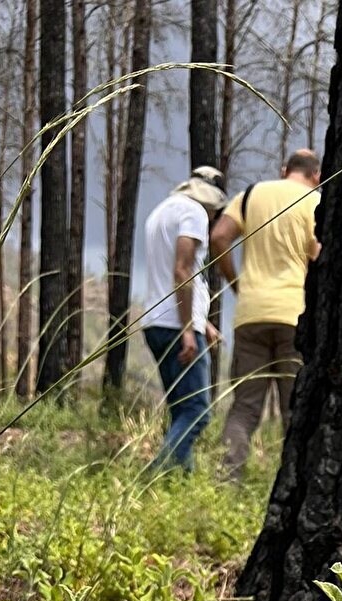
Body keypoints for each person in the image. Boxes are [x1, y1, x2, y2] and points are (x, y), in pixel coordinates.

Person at [209, 150, 321, 480]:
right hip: (294, 316)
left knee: (244, 408)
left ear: (284, 169)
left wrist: (237, 284)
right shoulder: (314, 201)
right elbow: (318, 253)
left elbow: (218, 237)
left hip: (251, 314)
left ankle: (226, 486)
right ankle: (293, 487)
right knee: (294, 410)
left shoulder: (251, 196)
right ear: (315, 175)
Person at [141, 165, 227, 474]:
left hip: (155, 323)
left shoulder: (161, 211)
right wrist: (190, 329)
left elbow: (169, 276)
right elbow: (182, 271)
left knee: (181, 410)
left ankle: (181, 482)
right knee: (197, 410)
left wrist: (202, 322)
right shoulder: (194, 213)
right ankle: (154, 474)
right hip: (178, 326)